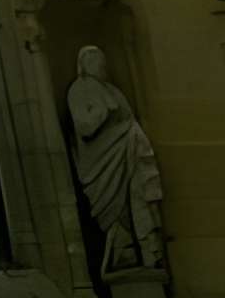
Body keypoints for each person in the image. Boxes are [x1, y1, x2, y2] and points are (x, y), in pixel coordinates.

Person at [67, 45, 166, 275]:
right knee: (116, 212)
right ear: (84, 64)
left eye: (102, 60)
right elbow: (84, 127)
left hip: (130, 151)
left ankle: (151, 254)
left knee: (142, 200)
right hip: (104, 163)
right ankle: (124, 255)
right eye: (94, 60)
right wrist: (103, 112)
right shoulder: (78, 89)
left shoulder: (113, 90)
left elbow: (128, 119)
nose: (100, 64)